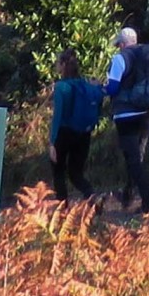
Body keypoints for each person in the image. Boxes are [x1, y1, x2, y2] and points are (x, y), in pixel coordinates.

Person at [103, 26, 149, 216]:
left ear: (122, 44)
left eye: (119, 44)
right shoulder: (146, 56)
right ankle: (128, 195)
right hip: (145, 112)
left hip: (125, 116)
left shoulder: (120, 59)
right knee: (136, 158)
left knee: (133, 160)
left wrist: (100, 89)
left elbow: (113, 88)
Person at [47, 48, 103, 202]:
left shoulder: (61, 87)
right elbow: (100, 98)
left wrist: (52, 142)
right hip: (84, 133)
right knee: (76, 173)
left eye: (58, 63)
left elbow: (58, 116)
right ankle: (92, 197)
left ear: (63, 65)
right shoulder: (86, 85)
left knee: (58, 170)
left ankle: (63, 208)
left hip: (64, 133)